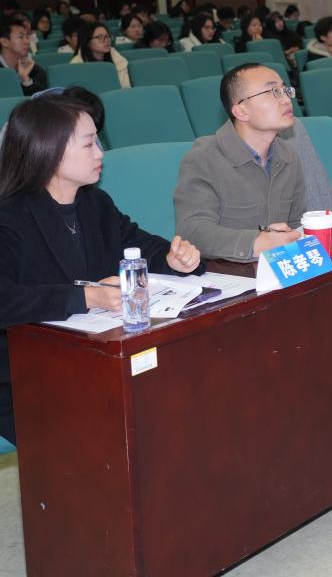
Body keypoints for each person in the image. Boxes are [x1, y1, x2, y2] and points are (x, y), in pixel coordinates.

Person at [0, 95, 203, 444]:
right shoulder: (9, 217)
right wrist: (86, 297)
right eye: (89, 144)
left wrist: (172, 258)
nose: (100, 153)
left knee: (180, 395)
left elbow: (136, 243)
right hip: (28, 377)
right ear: (49, 149)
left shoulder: (94, 203)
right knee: (118, 431)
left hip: (96, 359)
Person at [174, 64, 306, 262]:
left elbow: (296, 223)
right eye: (273, 92)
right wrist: (254, 244)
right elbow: (192, 231)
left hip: (279, 267)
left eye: (285, 90)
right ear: (241, 112)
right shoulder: (204, 158)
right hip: (227, 272)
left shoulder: (288, 155)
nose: (286, 99)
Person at [72, 21, 131, 88]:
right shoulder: (76, 64)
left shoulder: (114, 55)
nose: (106, 40)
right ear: (87, 41)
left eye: (107, 36)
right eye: (100, 37)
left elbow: (126, 85)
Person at [0, 17, 47, 96]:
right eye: (21, 37)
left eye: (27, 37)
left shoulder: (35, 70)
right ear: (5, 42)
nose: (27, 42)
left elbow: (42, 100)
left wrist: (25, 79)